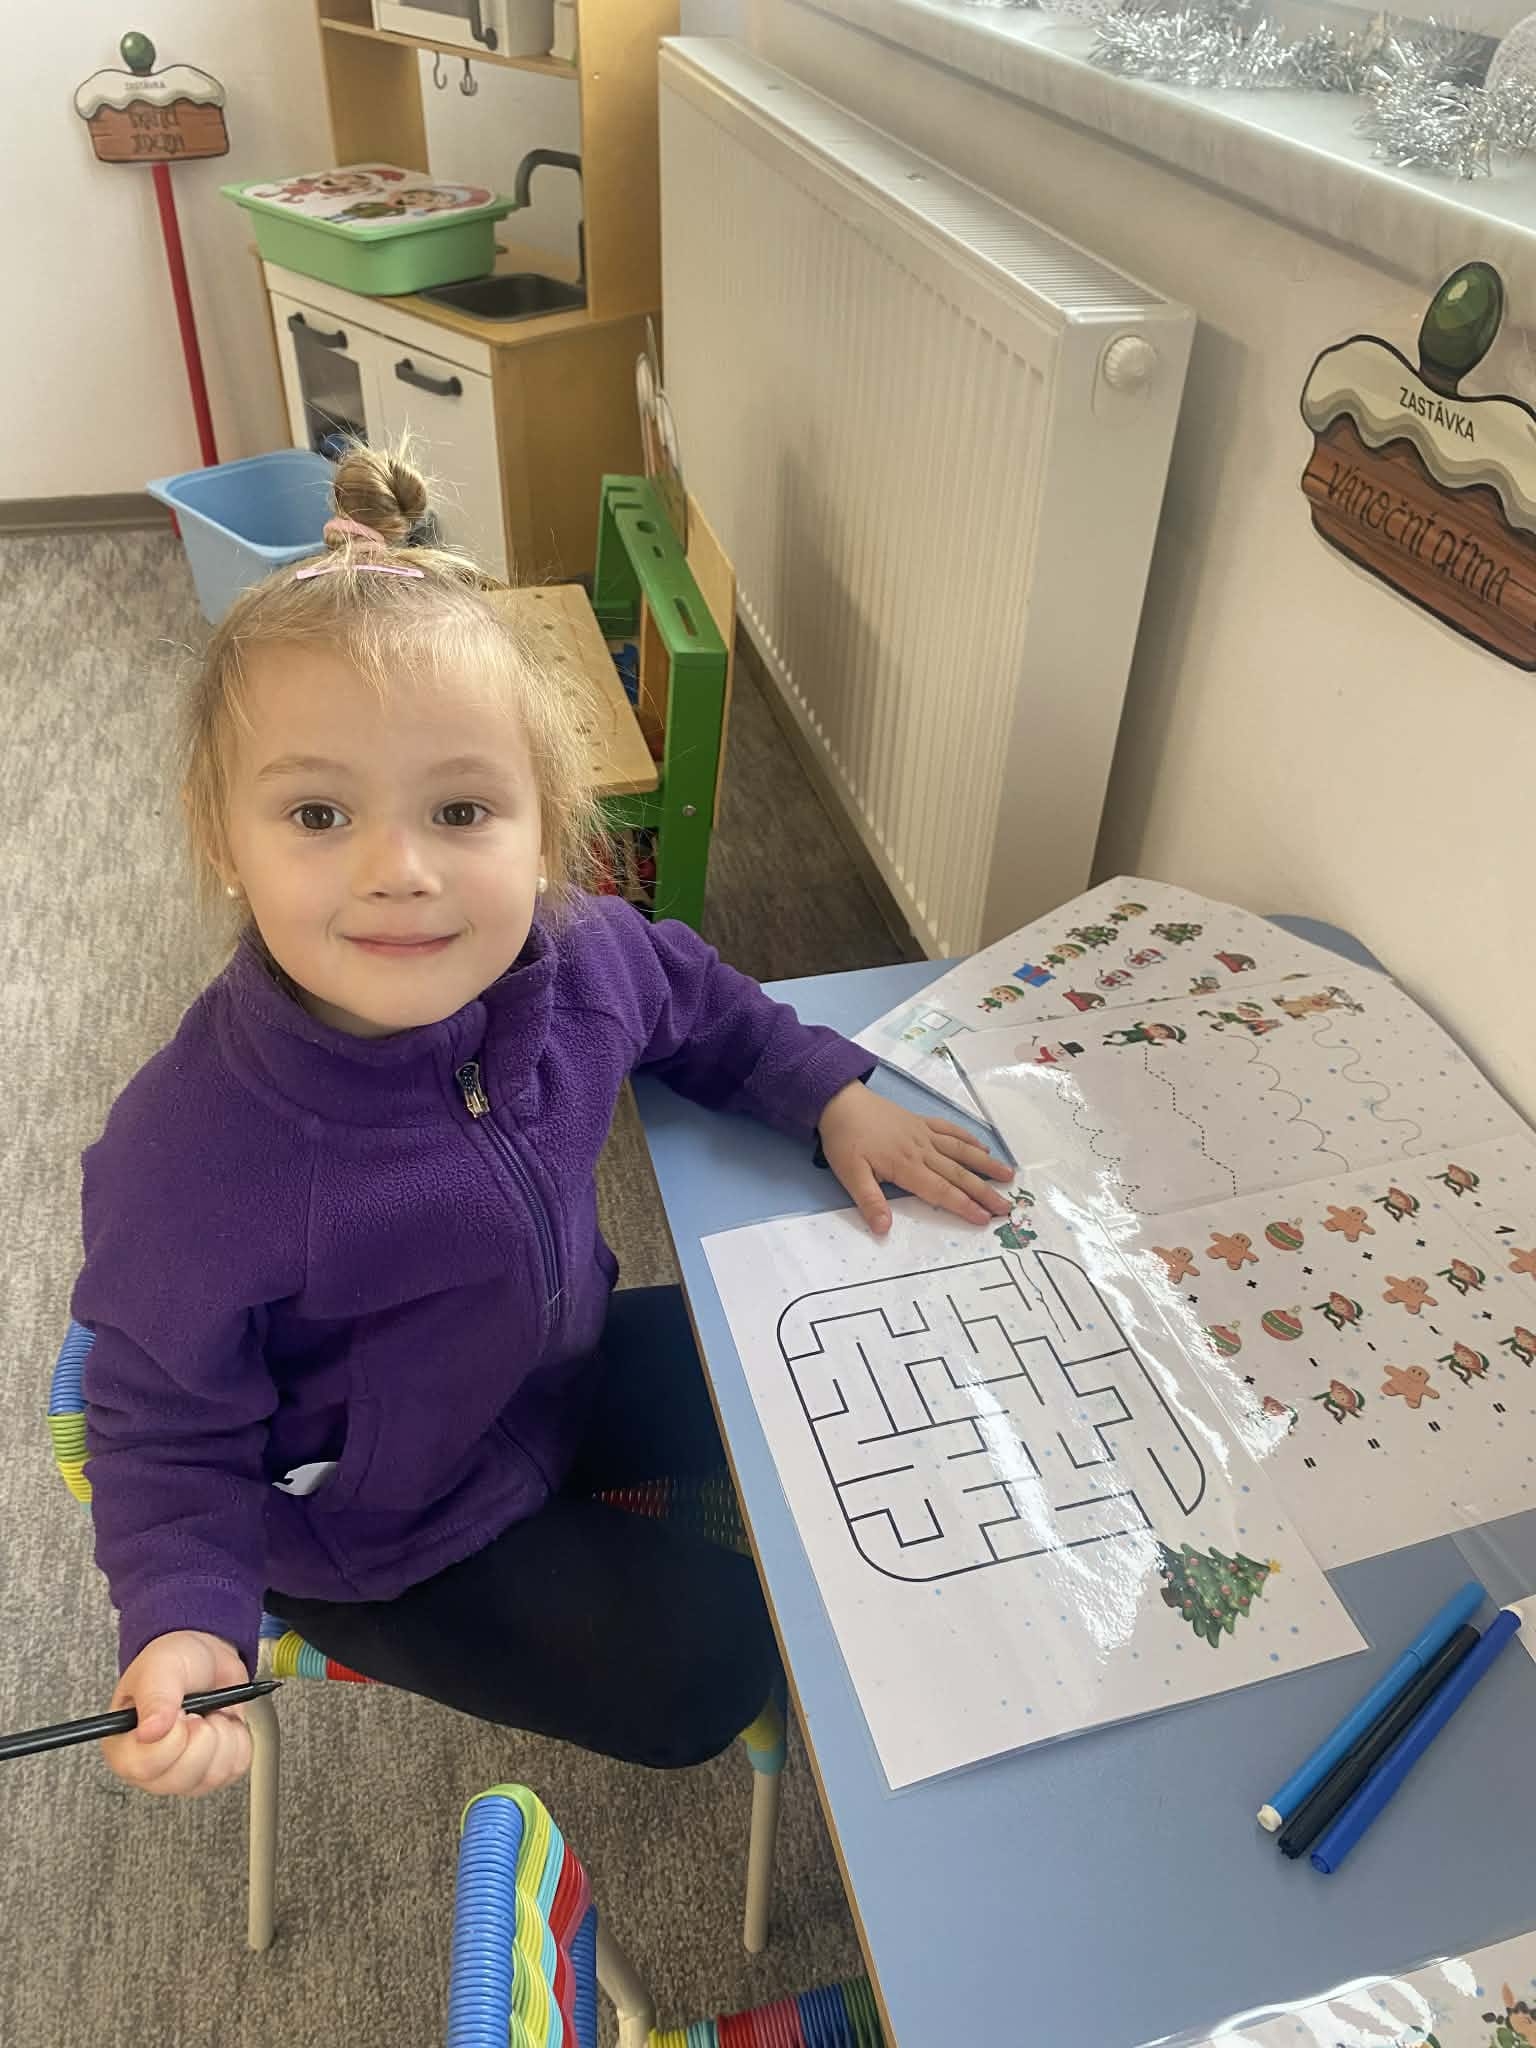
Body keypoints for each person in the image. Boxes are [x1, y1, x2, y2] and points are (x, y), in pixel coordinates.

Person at [75, 447, 1013, 1802]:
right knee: (714, 1665)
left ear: (545, 829)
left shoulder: (574, 957)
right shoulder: (194, 1155)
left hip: (543, 1375)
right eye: (319, 814)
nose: (400, 870)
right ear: (225, 840)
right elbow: (162, 1430)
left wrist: (827, 1090)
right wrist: (180, 1621)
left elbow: (690, 993)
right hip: (382, 1525)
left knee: (819, 1356)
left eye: (461, 810)